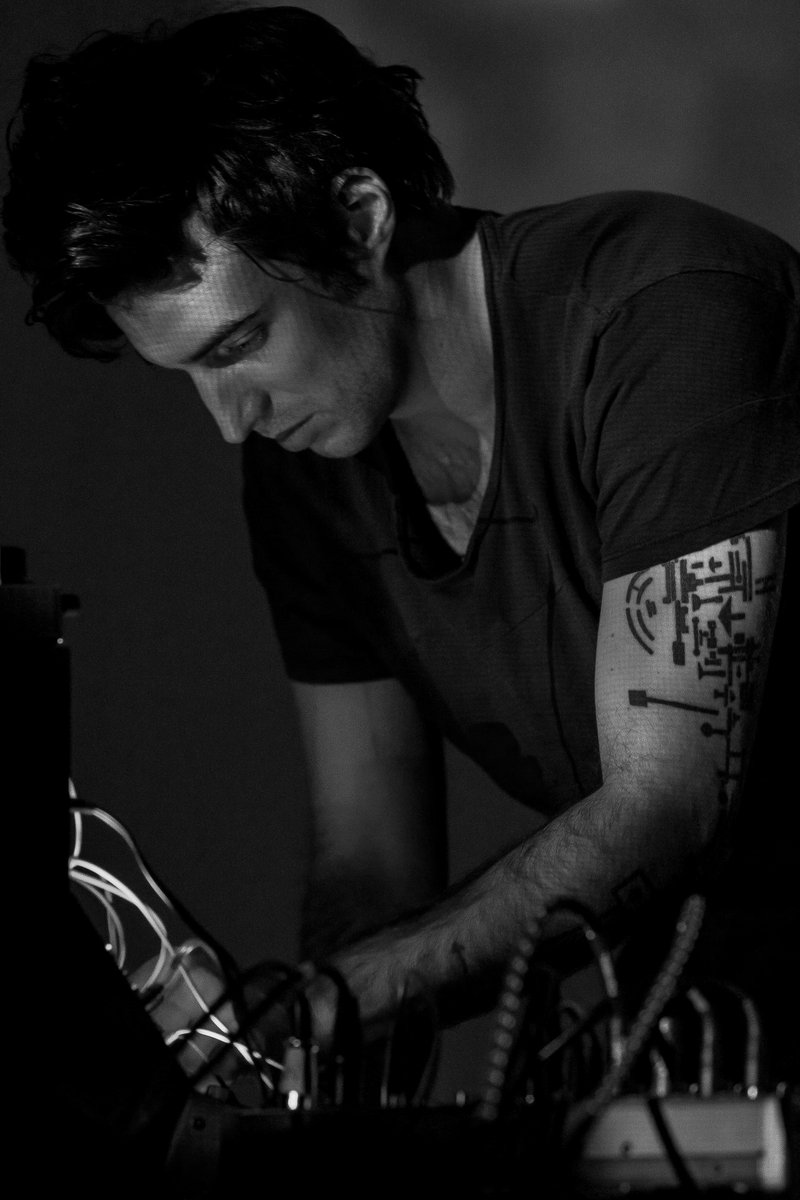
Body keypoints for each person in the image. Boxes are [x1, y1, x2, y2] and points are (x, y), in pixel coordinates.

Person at [5, 4, 799, 1094]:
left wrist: (329, 999)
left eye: (241, 344)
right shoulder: (308, 476)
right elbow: (371, 861)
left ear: (359, 218)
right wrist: (303, 1089)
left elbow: (667, 806)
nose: (230, 420)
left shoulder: (665, 314)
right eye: (185, 373)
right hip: (702, 1038)